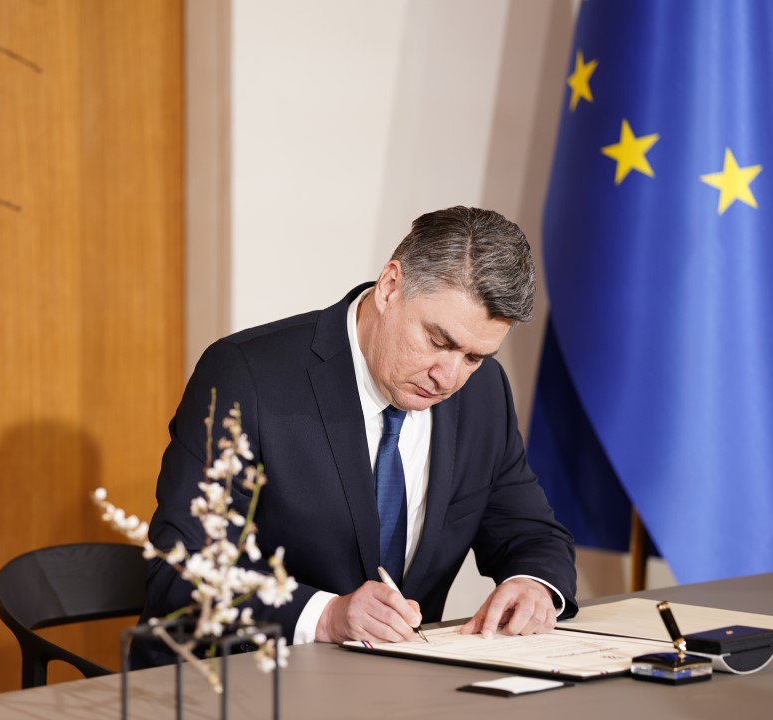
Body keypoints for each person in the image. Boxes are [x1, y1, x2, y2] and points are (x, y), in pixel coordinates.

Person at [136, 206, 576, 666]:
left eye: (474, 357)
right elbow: (181, 568)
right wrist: (325, 616)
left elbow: (531, 533)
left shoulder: (484, 392)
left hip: (399, 684)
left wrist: (532, 584)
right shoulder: (247, 374)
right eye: (438, 342)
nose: (448, 378)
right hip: (238, 675)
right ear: (390, 286)